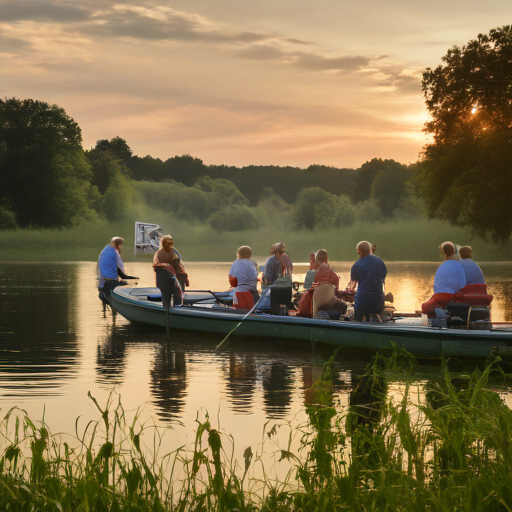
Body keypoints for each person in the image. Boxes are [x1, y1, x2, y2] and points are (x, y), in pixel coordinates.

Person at [421, 241, 466, 317]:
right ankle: (442, 312)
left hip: (440, 296)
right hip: (452, 296)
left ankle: (439, 310)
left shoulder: (441, 267)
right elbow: (462, 285)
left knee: (425, 305)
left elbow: (436, 287)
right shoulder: (459, 266)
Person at [349, 241, 387, 321]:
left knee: (358, 307)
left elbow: (352, 286)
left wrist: (351, 289)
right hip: (378, 303)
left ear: (358, 252)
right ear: (370, 250)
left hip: (362, 303)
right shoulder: (380, 262)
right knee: (373, 308)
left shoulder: (356, 265)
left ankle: (358, 323)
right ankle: (374, 319)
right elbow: (382, 279)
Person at [297, 250, 340, 317]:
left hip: (319, 297)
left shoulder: (315, 272)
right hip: (329, 297)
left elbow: (309, 287)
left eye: (313, 261)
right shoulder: (330, 270)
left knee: (305, 297)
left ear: (317, 260)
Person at [97, 237, 137, 302]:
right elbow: (122, 272)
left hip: (104, 282)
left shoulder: (104, 251)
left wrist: (100, 283)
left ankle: (107, 303)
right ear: (118, 245)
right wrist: (132, 278)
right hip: (112, 283)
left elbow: (99, 268)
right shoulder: (115, 254)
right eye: (120, 244)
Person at [153, 235, 184, 310]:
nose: (169, 245)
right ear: (163, 243)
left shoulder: (174, 253)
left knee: (178, 294)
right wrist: (165, 266)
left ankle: (178, 310)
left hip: (172, 278)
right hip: (163, 278)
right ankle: (165, 310)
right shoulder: (159, 253)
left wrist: (182, 272)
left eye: (170, 243)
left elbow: (178, 265)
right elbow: (155, 265)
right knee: (166, 296)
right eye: (167, 243)